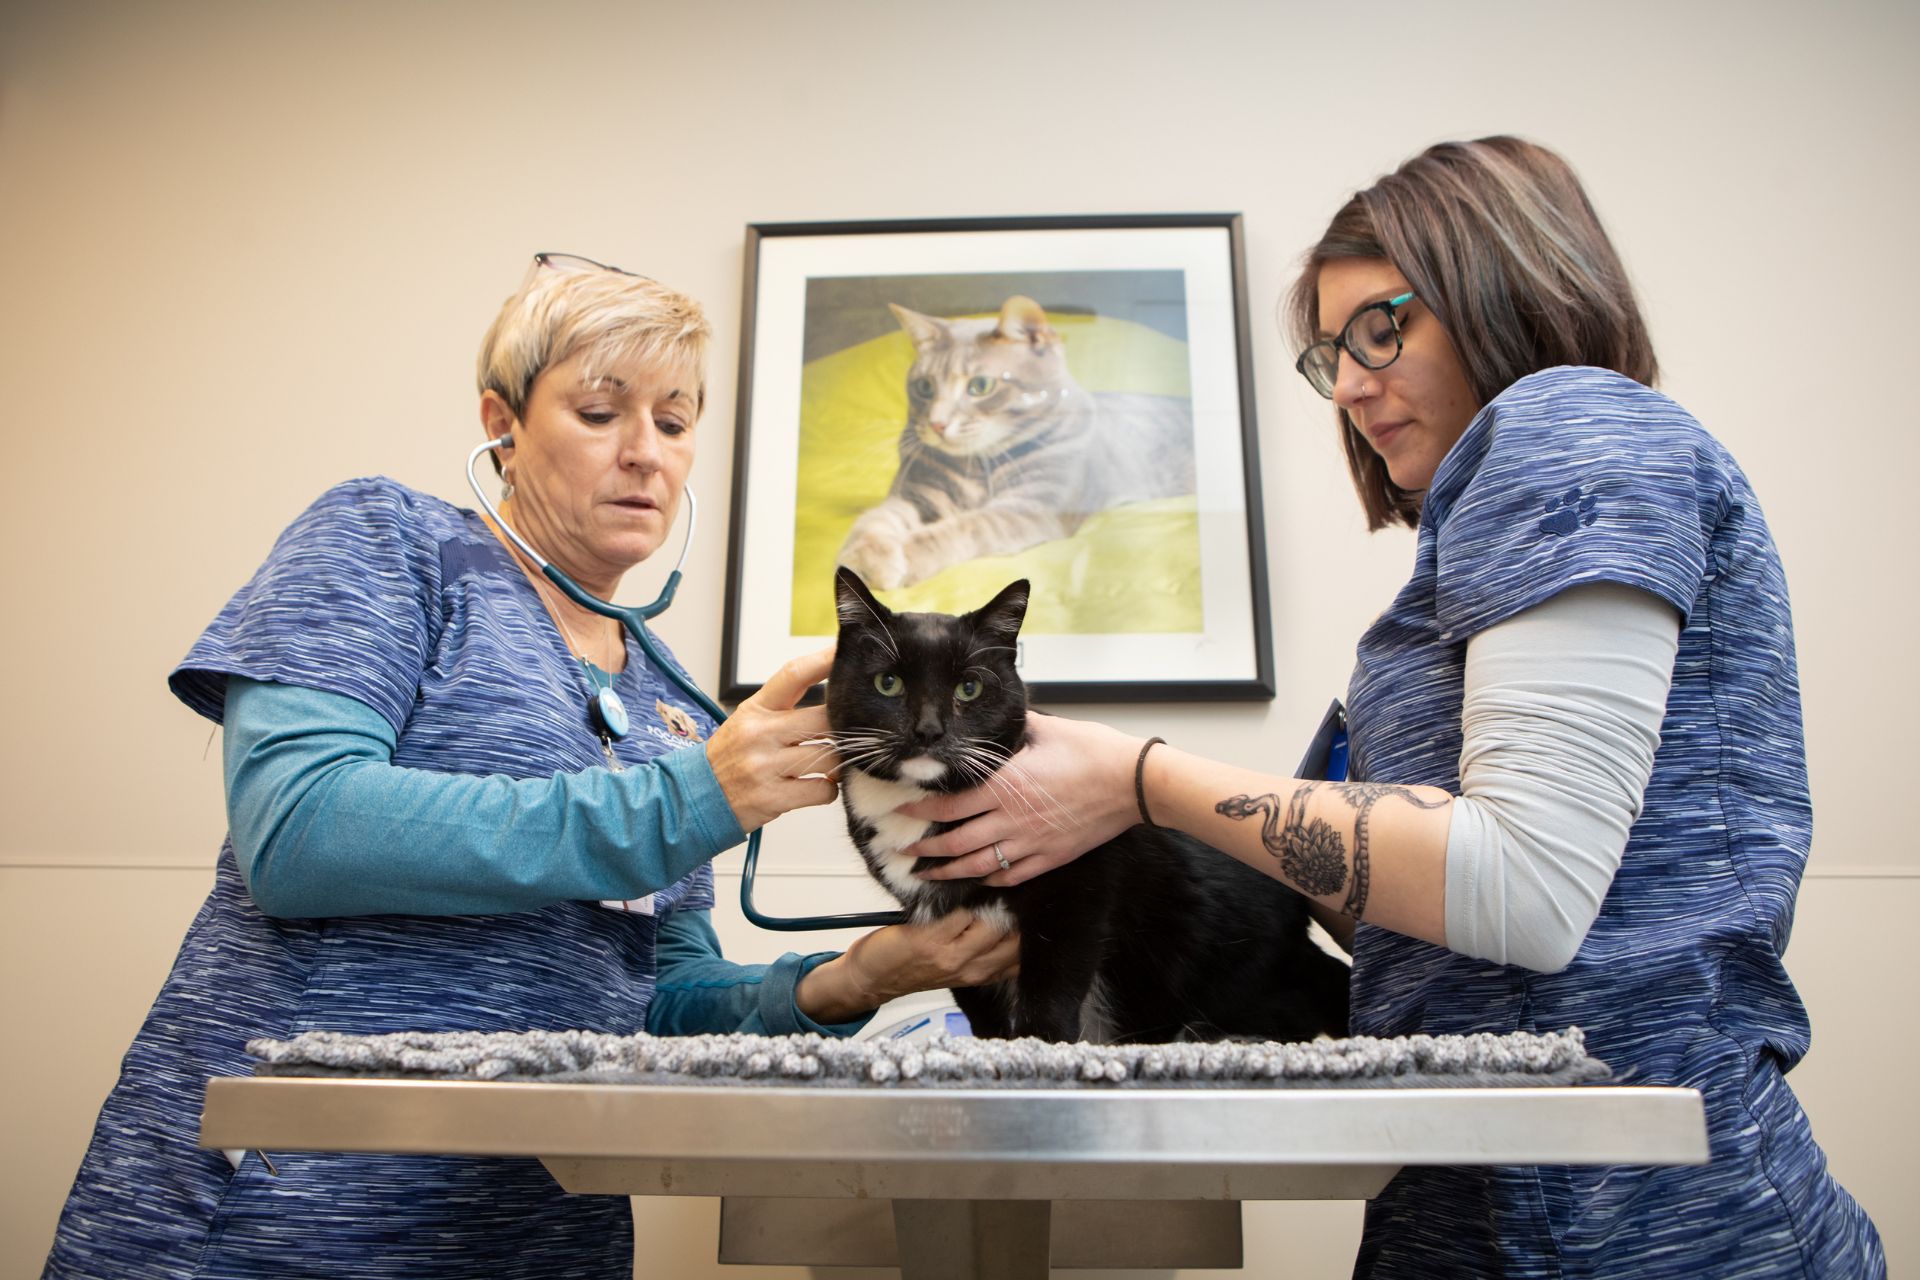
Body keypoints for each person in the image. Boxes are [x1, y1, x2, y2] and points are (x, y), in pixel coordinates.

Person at [901, 138, 1885, 1277]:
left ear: (1503, 278)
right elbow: (1433, 913)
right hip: (1477, 1184)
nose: (1354, 383)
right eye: (1333, 355)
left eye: (1383, 327)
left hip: (1637, 1214)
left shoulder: (1574, 426)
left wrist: (1139, 777)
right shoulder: (1477, 527)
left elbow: (1521, 888)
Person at [42, 255, 1017, 1280]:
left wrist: (846, 980)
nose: (646, 452)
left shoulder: (675, 708)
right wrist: (685, 799)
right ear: (501, 420)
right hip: (282, 1218)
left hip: (533, 1236)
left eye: (676, 422)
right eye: (602, 412)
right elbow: (297, 830)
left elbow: (653, 1001)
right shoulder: (389, 543)